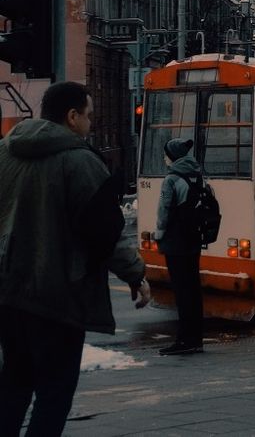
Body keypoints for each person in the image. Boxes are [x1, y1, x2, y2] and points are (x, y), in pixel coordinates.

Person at [0, 81, 151, 437]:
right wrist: (135, 275)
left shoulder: (5, 153)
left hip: (8, 294)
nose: (91, 124)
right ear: (71, 117)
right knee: (54, 393)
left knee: (13, 385)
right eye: (88, 116)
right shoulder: (81, 162)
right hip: (58, 298)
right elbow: (105, 234)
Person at [154, 137, 204, 356]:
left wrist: (159, 234)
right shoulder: (197, 174)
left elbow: (164, 211)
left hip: (175, 241)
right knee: (193, 290)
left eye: (166, 154)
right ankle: (196, 338)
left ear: (172, 156)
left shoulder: (172, 179)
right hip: (193, 239)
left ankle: (184, 340)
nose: (165, 158)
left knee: (181, 291)